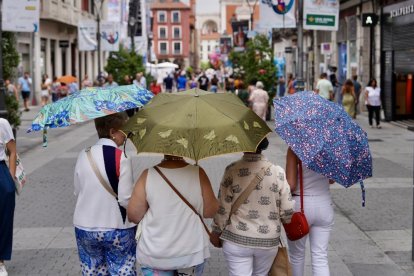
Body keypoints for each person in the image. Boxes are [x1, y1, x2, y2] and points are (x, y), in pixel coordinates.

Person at [210, 138, 295, 276]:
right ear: (263, 147)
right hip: (268, 242)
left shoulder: (231, 170)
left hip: (236, 239)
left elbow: (222, 208)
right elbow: (287, 210)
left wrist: (216, 231)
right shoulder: (277, 171)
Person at [127, 155, 219, 275]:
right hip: (191, 253)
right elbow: (210, 211)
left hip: (155, 253)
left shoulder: (148, 175)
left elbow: (134, 216)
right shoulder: (197, 172)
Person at [73, 112, 137, 275]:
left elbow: (78, 190)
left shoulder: (83, 154)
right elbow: (125, 200)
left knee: (92, 271)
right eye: (125, 131)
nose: (127, 136)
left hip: (85, 227)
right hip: (116, 227)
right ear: (113, 132)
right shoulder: (121, 157)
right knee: (122, 269)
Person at [286, 147, 335, 276]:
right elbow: (331, 180)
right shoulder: (330, 147)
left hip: (301, 206)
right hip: (324, 204)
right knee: (320, 256)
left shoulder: (295, 148)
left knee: (296, 256)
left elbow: (290, 185)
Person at [0, 118, 17, 276]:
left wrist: (10, 179)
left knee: (4, 219)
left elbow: (12, 151)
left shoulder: (2, 123)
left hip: (1, 172)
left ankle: (0, 261)